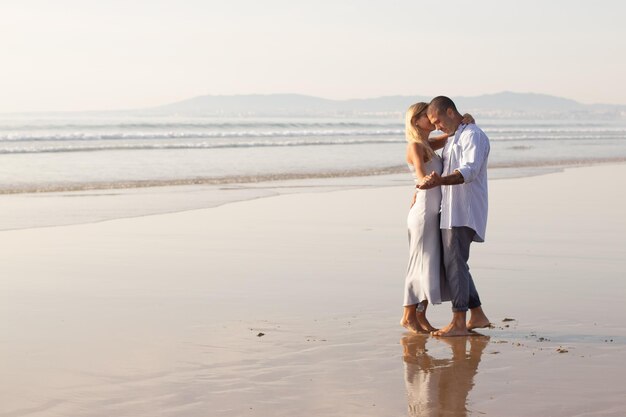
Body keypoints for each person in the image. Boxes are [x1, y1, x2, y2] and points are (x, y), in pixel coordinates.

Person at [418, 96, 491, 337]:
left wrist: (440, 181)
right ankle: (477, 315)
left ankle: (459, 321)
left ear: (450, 112)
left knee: (455, 264)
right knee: (455, 264)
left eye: (438, 120)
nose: (437, 126)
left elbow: (468, 171)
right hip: (450, 211)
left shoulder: (472, 135)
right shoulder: (454, 136)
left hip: (464, 210)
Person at [401, 102, 474, 334]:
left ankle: (420, 317)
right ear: (415, 121)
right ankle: (408, 316)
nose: (432, 121)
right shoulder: (415, 146)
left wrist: (466, 119)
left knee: (430, 265)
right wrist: (421, 184)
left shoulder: (429, 144)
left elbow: (452, 132)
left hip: (434, 212)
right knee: (418, 264)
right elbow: (421, 176)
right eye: (426, 117)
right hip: (423, 213)